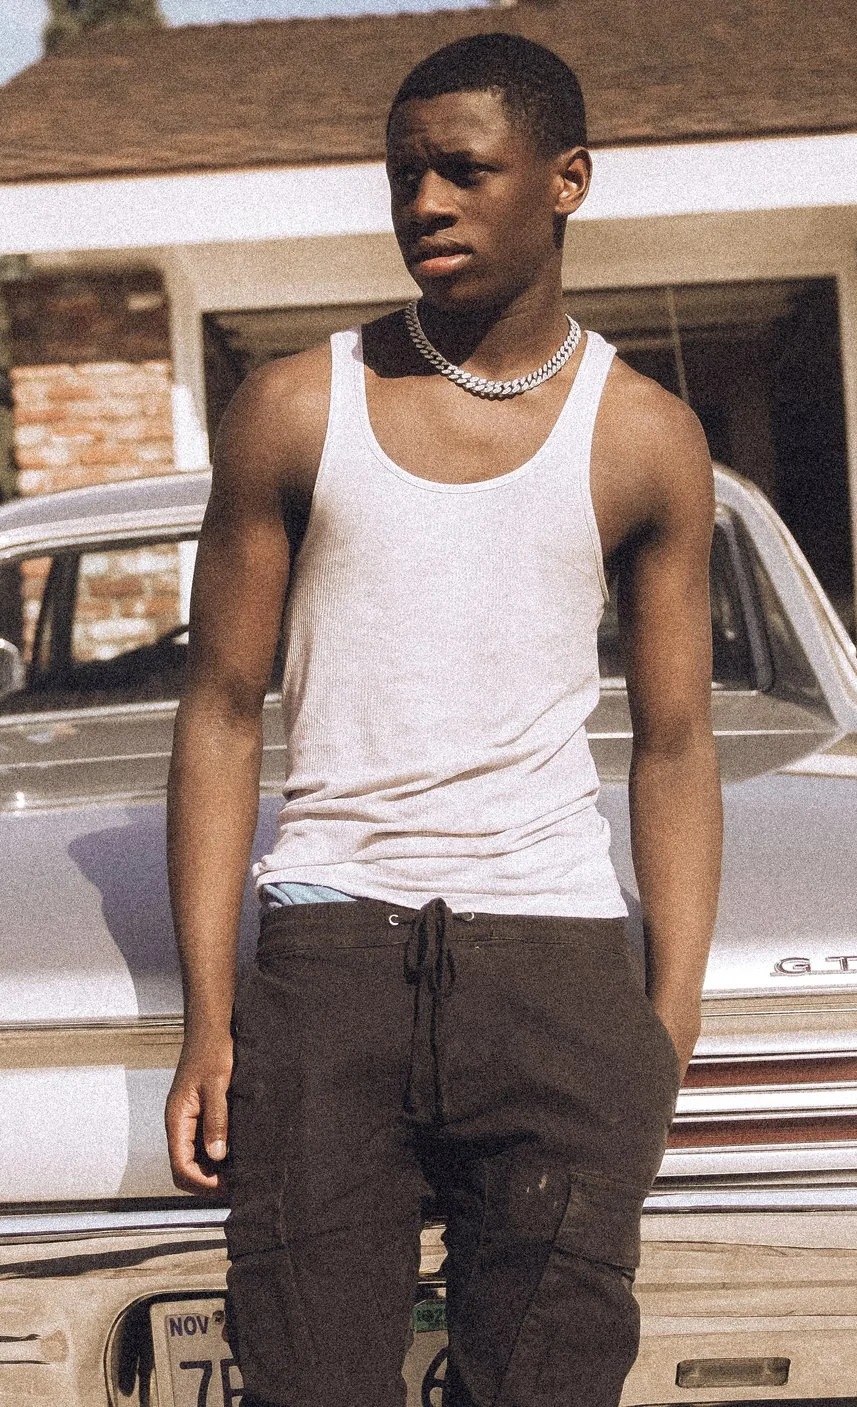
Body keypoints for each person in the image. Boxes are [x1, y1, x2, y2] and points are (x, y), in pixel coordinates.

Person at [161, 31, 722, 1407]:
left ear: (568, 179)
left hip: (554, 970)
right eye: (404, 173)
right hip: (331, 956)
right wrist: (210, 1014)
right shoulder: (295, 408)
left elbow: (677, 742)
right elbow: (223, 712)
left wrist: (667, 1021)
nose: (425, 203)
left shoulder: (644, 435)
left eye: (465, 171)